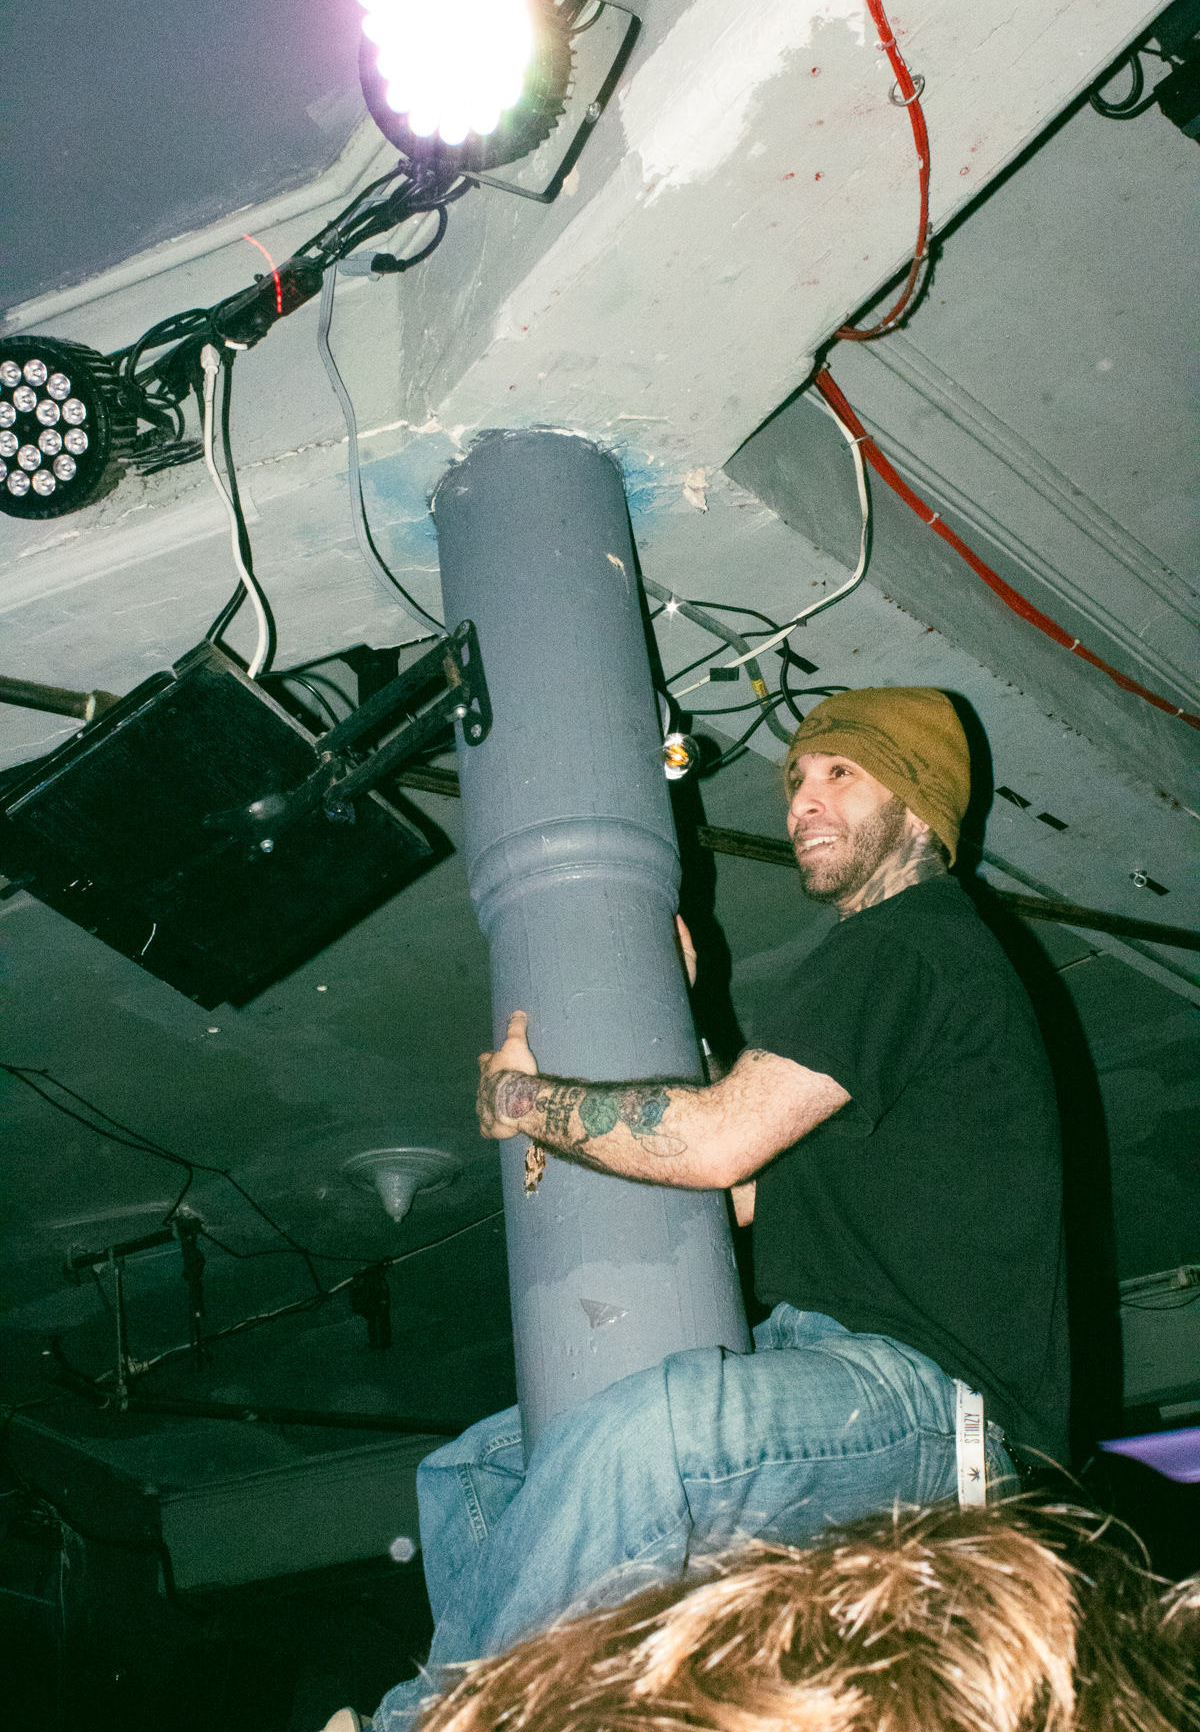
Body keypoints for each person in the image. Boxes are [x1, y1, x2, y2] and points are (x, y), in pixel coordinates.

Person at [370, 686, 1070, 1730]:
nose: (801, 802)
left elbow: (713, 1145)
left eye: (841, 775)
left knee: (650, 1441)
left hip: (936, 1406)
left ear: (919, 803)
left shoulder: (917, 939)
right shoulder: (889, 976)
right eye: (796, 779)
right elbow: (742, 1190)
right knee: (477, 1469)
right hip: (837, 1364)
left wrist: (521, 1102)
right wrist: (688, 1007)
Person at [409, 1499, 1200, 1732]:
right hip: (868, 1340)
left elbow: (719, 1157)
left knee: (626, 1444)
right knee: (501, 1467)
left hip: (935, 1381)